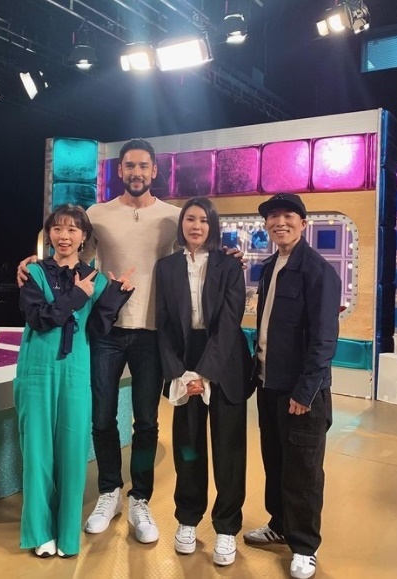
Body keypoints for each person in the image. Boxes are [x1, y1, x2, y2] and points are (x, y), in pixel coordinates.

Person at [17, 138, 243, 544]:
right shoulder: (97, 214)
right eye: (129, 166)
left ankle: (140, 498)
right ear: (119, 170)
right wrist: (35, 261)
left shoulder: (172, 216)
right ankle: (110, 491)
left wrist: (227, 253)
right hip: (105, 331)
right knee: (102, 419)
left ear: (154, 171)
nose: (136, 172)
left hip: (155, 333)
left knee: (147, 422)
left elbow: (198, 249)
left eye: (143, 166)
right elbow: (71, 255)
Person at [14, 203, 134, 559]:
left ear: (84, 237)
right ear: (48, 234)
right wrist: (78, 295)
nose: (63, 236)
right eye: (57, 228)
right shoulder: (34, 272)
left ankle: (67, 534)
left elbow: (96, 328)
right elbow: (39, 318)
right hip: (37, 369)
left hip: (77, 369)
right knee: (37, 451)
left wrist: (116, 295)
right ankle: (39, 532)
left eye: (72, 229)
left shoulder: (95, 278)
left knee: (72, 450)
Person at [242, 193, 341, 579]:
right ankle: (280, 525)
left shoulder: (318, 271)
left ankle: (304, 546)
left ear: (303, 223)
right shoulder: (270, 267)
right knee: (277, 462)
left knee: (303, 470)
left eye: (288, 216)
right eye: (273, 217)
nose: (279, 222)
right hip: (270, 384)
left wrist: (305, 391)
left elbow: (324, 339)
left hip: (302, 393)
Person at [155, 197, 253, 566]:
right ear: (181, 224)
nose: (196, 226)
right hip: (183, 361)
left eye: (203, 220)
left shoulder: (229, 266)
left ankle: (226, 526)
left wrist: (204, 373)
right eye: (190, 219)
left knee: (229, 450)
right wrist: (179, 373)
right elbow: (163, 323)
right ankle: (187, 519)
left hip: (224, 362)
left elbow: (229, 322)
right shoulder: (166, 267)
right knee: (188, 446)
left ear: (213, 225)